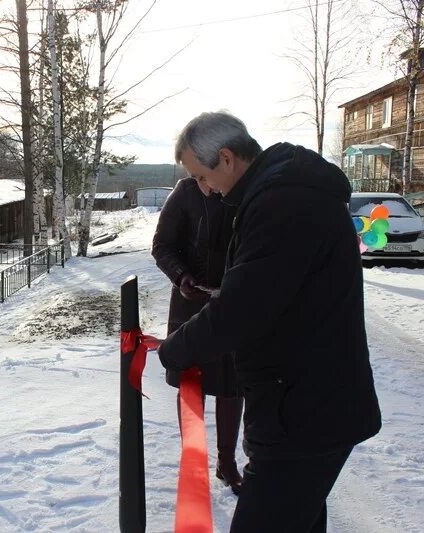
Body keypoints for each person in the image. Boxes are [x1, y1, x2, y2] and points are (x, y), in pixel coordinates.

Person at [157, 112, 381, 533]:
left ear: (226, 158)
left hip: (305, 413)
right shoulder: (277, 192)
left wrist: (175, 349)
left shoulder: (283, 202)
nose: (203, 188)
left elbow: (244, 306)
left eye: (201, 176)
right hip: (305, 405)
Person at [151, 176, 244, 495]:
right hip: (189, 306)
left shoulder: (244, 191)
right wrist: (180, 275)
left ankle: (227, 463)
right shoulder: (186, 192)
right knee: (192, 385)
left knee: (232, 385)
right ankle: (193, 465)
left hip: (232, 304)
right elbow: (162, 246)